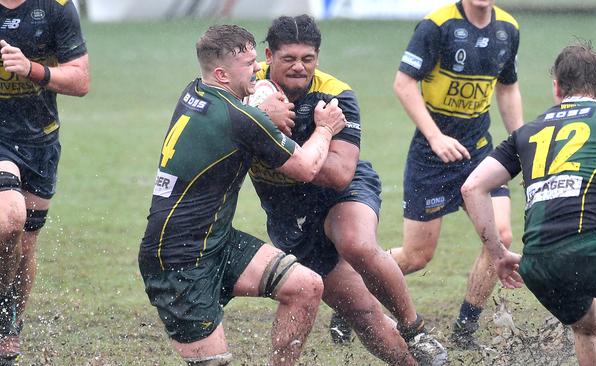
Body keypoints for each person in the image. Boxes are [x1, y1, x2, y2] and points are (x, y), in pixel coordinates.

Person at [137, 24, 347, 366]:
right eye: (249, 65)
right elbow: (307, 167)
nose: (258, 69)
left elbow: (242, 103)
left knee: (306, 287)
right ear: (221, 73)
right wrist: (325, 128)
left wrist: (261, 104)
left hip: (217, 241)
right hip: (178, 258)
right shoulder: (241, 120)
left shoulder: (195, 90)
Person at [248, 15, 447, 366]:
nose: (299, 67)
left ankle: (416, 330)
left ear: (318, 58)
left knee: (356, 242)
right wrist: (257, 119)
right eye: (288, 59)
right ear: (268, 55)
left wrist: (279, 145)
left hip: (341, 193)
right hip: (289, 217)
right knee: (363, 314)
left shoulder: (336, 94)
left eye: (307, 59)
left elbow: (340, 174)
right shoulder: (245, 92)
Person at [461, 40, 596, 366]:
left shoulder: (526, 132)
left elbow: (473, 187)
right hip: (590, 246)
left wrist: (498, 255)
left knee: (587, 327)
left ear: (556, 87)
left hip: (537, 264)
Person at [388, 0, 524, 348]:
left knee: (501, 238)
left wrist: (521, 141)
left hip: (479, 150)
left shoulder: (508, 29)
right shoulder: (436, 26)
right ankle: (355, 287)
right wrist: (435, 137)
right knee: (417, 256)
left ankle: (465, 329)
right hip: (431, 155)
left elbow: (507, 87)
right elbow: (404, 84)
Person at [0, 0, 90, 363]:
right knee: (9, 218)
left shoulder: (57, 8)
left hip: (40, 141)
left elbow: (81, 81)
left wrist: (31, 69)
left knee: (24, 245)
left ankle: (10, 325)